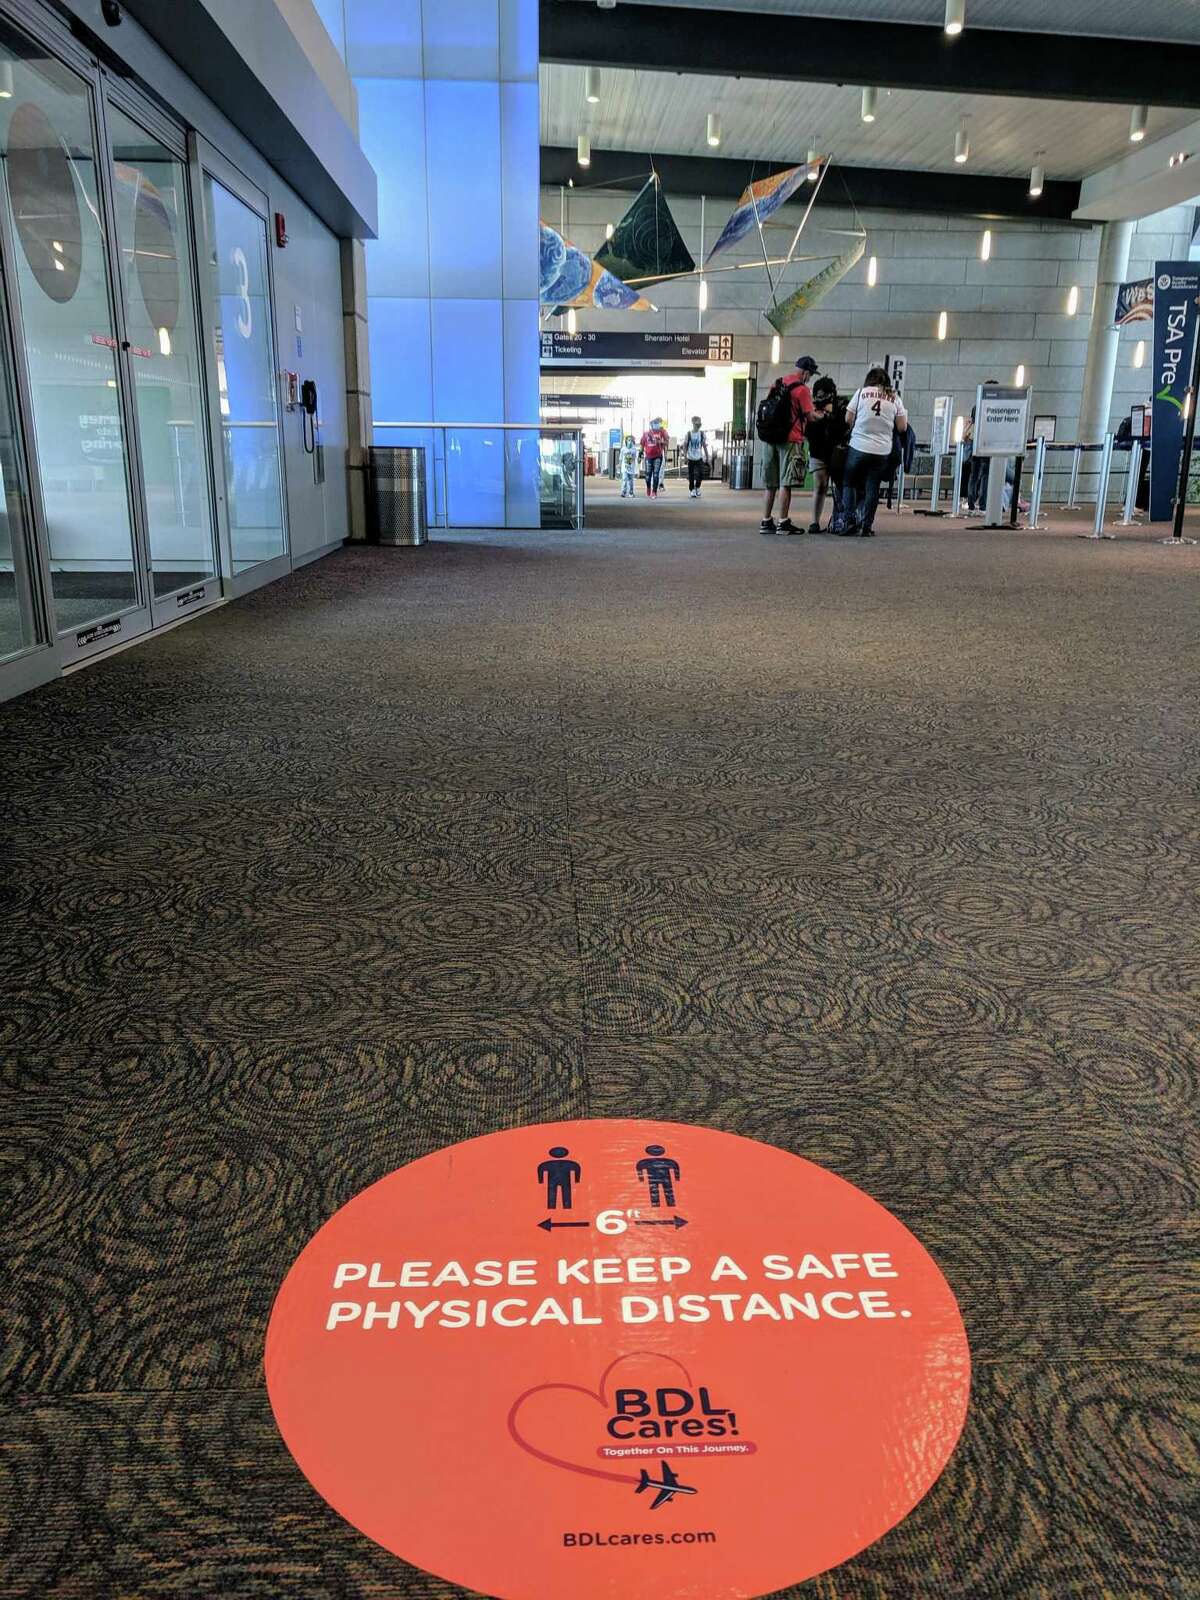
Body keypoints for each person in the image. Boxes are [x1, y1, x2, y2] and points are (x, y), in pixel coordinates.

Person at [842, 365, 908, 537]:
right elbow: (902, 427)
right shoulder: (895, 398)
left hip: (858, 446)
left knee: (849, 482)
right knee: (873, 486)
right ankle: (866, 525)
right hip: (881, 450)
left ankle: (849, 521)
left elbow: (848, 419)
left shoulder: (861, 393)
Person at [760, 355, 817, 535]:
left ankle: (766, 521)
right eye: (811, 375)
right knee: (786, 482)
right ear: (806, 373)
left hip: (770, 438)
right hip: (790, 439)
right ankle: (783, 522)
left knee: (770, 484)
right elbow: (810, 416)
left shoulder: (778, 383)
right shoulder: (802, 390)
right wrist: (822, 415)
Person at [805, 376, 848, 533]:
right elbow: (808, 431)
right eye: (819, 395)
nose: (821, 398)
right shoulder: (810, 409)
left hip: (837, 453)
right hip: (818, 452)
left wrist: (830, 417)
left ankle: (839, 520)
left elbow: (844, 428)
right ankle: (814, 522)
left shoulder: (841, 407)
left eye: (825, 395)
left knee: (840, 488)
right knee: (820, 486)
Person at [640, 417, 669, 498]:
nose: (656, 425)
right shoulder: (646, 433)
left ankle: (654, 491)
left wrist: (661, 442)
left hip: (658, 456)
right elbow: (642, 444)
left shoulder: (662, 432)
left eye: (658, 423)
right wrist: (640, 454)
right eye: (655, 423)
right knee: (648, 475)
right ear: (651, 425)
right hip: (648, 457)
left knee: (656, 474)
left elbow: (667, 442)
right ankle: (648, 487)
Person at [683, 416, 710, 498]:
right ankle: (692, 490)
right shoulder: (688, 434)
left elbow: (704, 445)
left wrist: (707, 456)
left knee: (701, 473)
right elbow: (685, 446)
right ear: (693, 423)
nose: (699, 425)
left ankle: (697, 487)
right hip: (691, 458)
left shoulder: (702, 434)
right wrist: (685, 456)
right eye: (697, 423)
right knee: (691, 475)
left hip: (699, 457)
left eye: (700, 423)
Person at [619, 433, 638, 497]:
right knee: (624, 479)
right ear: (626, 441)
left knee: (631, 481)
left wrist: (637, 469)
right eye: (628, 440)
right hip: (624, 467)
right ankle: (623, 492)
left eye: (631, 440)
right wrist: (619, 465)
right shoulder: (623, 449)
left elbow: (635, 458)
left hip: (631, 467)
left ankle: (631, 492)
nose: (630, 441)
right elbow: (621, 458)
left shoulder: (634, 449)